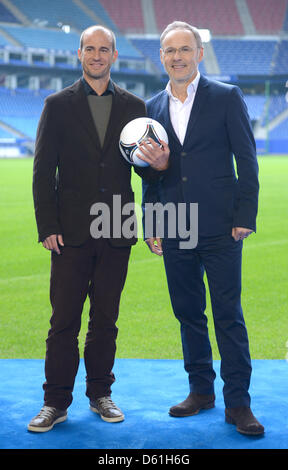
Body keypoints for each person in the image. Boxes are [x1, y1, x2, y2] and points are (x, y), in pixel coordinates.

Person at [139, 21, 264, 436]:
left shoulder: (227, 97)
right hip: (175, 226)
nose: (177, 57)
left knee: (228, 315)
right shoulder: (151, 107)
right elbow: (148, 173)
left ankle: (238, 403)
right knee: (188, 313)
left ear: (199, 54)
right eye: (170, 50)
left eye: (185, 49)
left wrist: (245, 215)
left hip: (221, 226)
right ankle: (201, 391)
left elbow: (246, 159)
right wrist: (154, 222)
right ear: (162, 57)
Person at [29, 25, 152, 432]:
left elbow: (147, 173)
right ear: (79, 54)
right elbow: (43, 170)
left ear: (114, 56)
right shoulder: (56, 104)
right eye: (90, 49)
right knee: (63, 320)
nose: (97, 55)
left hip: (117, 228)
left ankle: (100, 393)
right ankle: (55, 402)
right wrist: (47, 225)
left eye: (104, 49)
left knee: (106, 319)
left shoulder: (135, 107)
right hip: (69, 233)